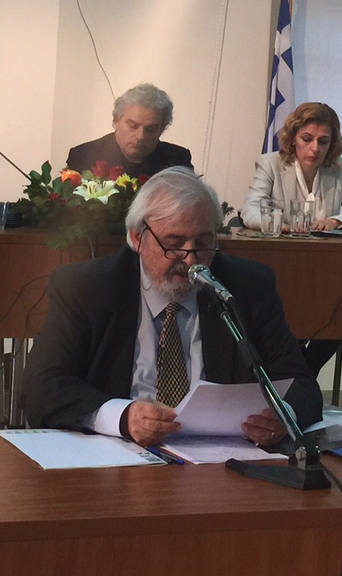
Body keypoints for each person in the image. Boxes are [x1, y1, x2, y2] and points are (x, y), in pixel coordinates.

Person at [23, 167, 321, 447]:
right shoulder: (88, 287)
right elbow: (42, 387)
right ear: (137, 238)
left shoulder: (245, 288)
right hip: (115, 454)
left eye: (203, 243)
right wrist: (123, 417)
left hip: (218, 459)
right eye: (174, 244)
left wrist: (284, 416)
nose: (190, 260)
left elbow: (301, 383)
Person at [240, 101, 342, 373]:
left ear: (332, 144)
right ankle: (298, 379)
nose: (315, 148)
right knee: (289, 322)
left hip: (324, 277)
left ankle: (300, 377)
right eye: (307, 139)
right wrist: (282, 224)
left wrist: (336, 221)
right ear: (293, 138)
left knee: (339, 317)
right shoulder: (271, 164)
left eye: (323, 141)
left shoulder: (340, 169)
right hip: (282, 273)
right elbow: (249, 212)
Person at [65, 83, 193, 178]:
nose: (140, 136)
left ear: (162, 129)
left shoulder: (176, 160)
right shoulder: (84, 156)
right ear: (116, 120)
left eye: (150, 129)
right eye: (132, 126)